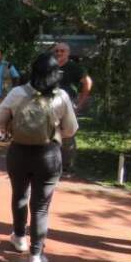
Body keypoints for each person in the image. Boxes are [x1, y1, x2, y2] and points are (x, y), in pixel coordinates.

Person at [0, 52, 78, 262]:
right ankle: (36, 257)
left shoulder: (17, 93)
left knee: (20, 195)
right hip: (48, 155)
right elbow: (71, 129)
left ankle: (19, 237)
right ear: (55, 74)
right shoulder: (61, 96)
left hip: (19, 152)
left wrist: (13, 126)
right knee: (40, 206)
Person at [53, 42, 92, 174]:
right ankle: (50, 163)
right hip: (50, 104)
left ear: (68, 53)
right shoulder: (50, 66)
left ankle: (67, 167)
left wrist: (80, 103)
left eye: (62, 51)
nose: (59, 53)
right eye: (57, 51)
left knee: (68, 134)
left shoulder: (74, 67)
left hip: (68, 104)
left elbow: (87, 82)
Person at [0, 48, 20, 140]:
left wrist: (14, 90)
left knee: (6, 115)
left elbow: (16, 77)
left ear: (1, 56)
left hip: (5, 94)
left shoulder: (8, 65)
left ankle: (7, 134)